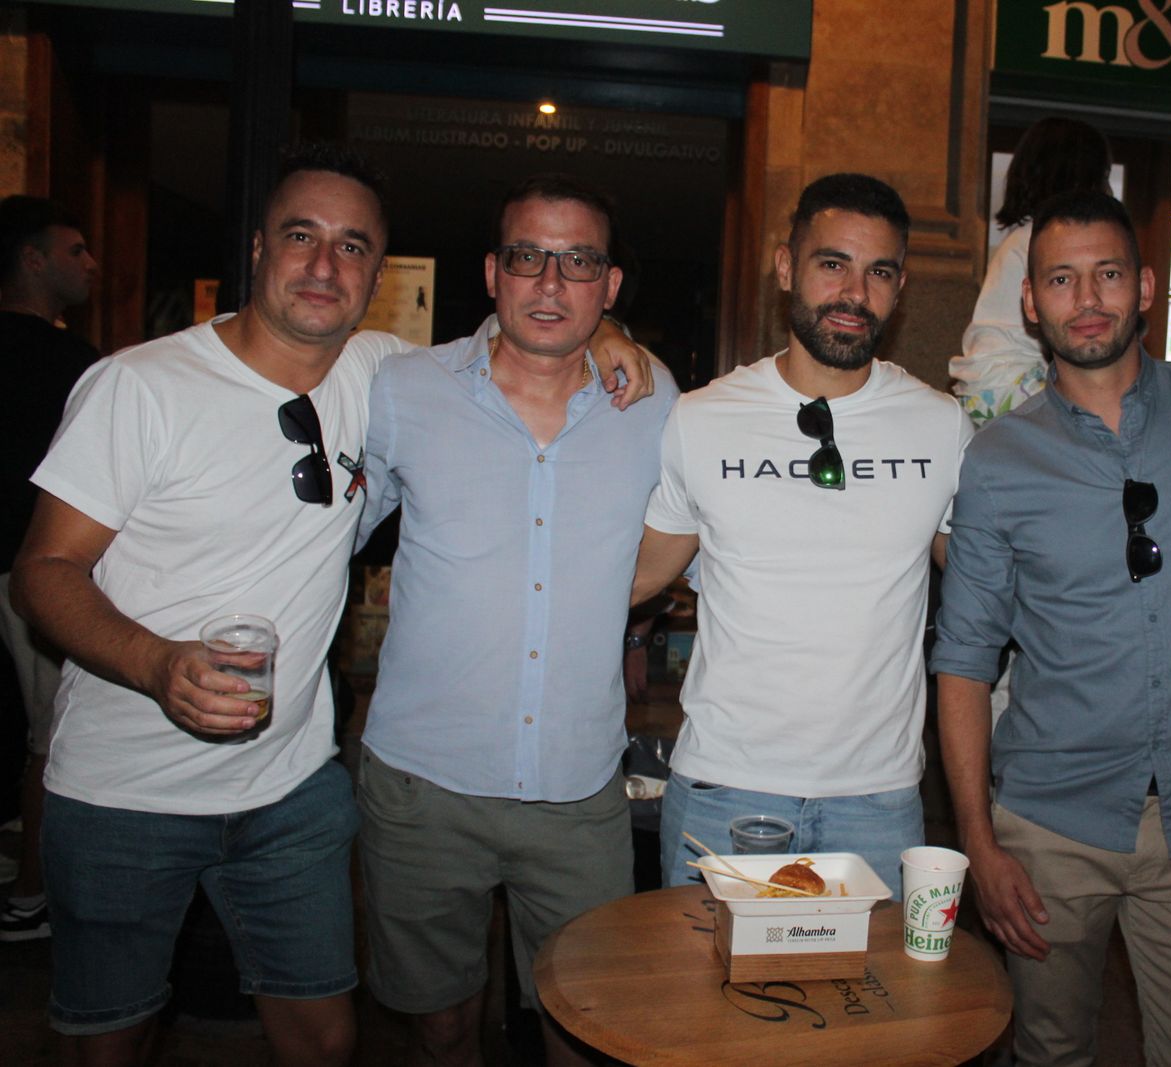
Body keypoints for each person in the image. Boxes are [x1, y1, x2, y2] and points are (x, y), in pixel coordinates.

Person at [8, 147, 652, 1066]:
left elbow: (552, 308)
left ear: (376, 277)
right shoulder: (140, 385)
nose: (323, 266)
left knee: (324, 1035)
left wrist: (611, 331)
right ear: (261, 247)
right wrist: (155, 662)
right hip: (125, 789)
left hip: (293, 787)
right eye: (302, 237)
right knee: (104, 1035)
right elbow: (42, 572)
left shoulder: (383, 376)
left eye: (352, 247)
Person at [932, 190, 1171, 1067]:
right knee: (1048, 1050)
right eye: (1061, 279)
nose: (1086, 299)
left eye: (1108, 274)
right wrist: (978, 839)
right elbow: (965, 659)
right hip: (1049, 826)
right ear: (1031, 302)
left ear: (1147, 286)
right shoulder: (1001, 459)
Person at [355, 175, 676, 1067]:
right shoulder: (403, 390)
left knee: (585, 1024)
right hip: (424, 786)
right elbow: (325, 534)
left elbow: (677, 546)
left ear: (609, 287)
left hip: (578, 794)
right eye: (529, 256)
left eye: (579, 262)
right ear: (494, 273)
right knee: (441, 1024)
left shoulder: (656, 405)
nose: (550, 282)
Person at [633, 173, 973, 898]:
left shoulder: (940, 425)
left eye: (878, 271)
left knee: (873, 1010)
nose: (854, 293)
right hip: (727, 788)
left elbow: (987, 578)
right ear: (786, 267)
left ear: (901, 285)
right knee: (705, 1006)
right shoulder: (701, 418)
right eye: (832, 264)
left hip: (879, 799)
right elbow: (635, 575)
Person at [0, 196, 99, 943]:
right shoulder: (73, 366)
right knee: (51, 732)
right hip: (25, 569)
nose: (90, 263)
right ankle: (33, 897)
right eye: (74, 250)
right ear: (31, 259)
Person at [949, 117, 1112, 426]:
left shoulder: (1023, 238)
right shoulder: (1045, 243)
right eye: (1101, 175)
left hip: (991, 387)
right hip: (1012, 386)